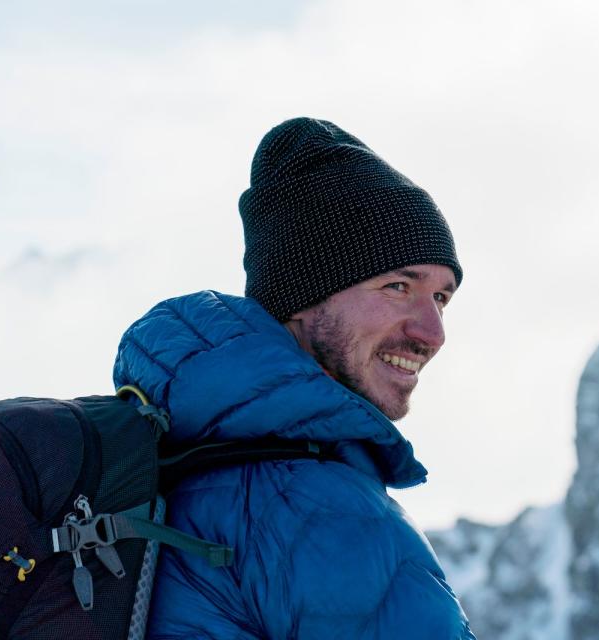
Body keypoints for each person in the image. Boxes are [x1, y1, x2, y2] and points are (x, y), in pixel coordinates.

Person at [113, 118, 475, 639]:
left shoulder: (169, 459)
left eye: (440, 297)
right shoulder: (325, 515)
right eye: (398, 286)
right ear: (302, 298)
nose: (432, 333)